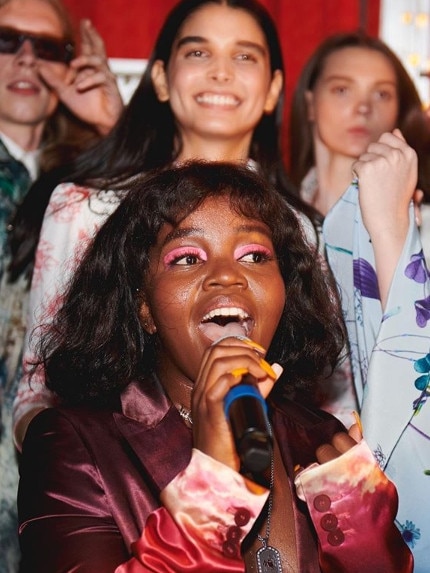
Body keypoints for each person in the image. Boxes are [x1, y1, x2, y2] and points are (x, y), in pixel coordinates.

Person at [17, 161, 413, 572]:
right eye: (187, 258)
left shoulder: (322, 442)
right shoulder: (72, 446)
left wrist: (365, 543)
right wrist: (215, 485)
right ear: (144, 307)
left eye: (255, 255)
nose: (227, 276)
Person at [12, 0, 318, 448]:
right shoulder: (84, 206)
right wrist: (85, 471)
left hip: (264, 489)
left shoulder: (300, 229)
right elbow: (34, 392)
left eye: (244, 55)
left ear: (274, 90)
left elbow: (319, 390)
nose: (220, 72)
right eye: (198, 52)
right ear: (159, 77)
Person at [289, 31, 430, 571]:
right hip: (278, 468)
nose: (363, 107)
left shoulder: (420, 224)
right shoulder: (264, 214)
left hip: (395, 488)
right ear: (309, 101)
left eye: (383, 93)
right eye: (343, 89)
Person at [0, 0, 123, 569]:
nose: (27, 59)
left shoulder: (88, 181)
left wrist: (113, 127)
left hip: (48, 472)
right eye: (7, 40)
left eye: (47, 48)